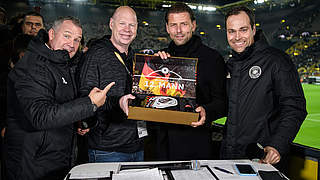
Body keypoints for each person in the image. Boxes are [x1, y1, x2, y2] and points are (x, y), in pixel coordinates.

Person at [5, 16, 115, 180]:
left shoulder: (64, 66)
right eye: (67, 36)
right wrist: (89, 103)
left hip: (56, 161)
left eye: (77, 40)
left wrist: (78, 122)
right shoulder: (32, 66)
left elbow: (61, 107)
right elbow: (41, 116)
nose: (72, 44)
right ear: (51, 34)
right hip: (31, 165)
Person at [221, 6, 307, 172]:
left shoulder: (277, 60)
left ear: (254, 29)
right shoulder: (230, 65)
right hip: (229, 157)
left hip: (262, 158)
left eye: (243, 30)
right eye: (231, 31)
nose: (237, 37)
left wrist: (277, 146)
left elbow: (295, 107)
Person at [154, 2, 227, 160]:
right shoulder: (159, 58)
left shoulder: (212, 59)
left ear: (193, 25)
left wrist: (207, 111)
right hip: (162, 146)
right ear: (167, 28)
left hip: (196, 145)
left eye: (184, 24)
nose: (179, 30)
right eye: (173, 25)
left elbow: (223, 103)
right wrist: (153, 68)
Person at [79, 6, 142, 162]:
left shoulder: (136, 58)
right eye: (122, 23)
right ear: (111, 24)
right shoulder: (96, 55)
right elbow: (85, 98)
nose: (127, 29)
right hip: (107, 149)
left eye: (132, 25)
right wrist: (116, 103)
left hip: (137, 144)